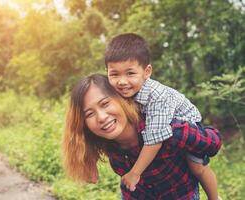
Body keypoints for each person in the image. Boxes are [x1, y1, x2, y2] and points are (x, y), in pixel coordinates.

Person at [62, 74, 222, 199]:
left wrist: (196, 156)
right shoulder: (105, 141)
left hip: (180, 195)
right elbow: (91, 176)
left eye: (105, 104)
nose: (101, 117)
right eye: (89, 114)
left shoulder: (167, 131)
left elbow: (214, 141)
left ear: (121, 99)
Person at [105, 33, 220, 199]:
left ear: (147, 72)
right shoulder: (119, 92)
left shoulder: (157, 97)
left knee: (197, 167)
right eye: (114, 74)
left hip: (186, 122)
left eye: (130, 73)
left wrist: (135, 173)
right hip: (158, 137)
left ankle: (215, 197)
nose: (122, 81)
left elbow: (154, 140)